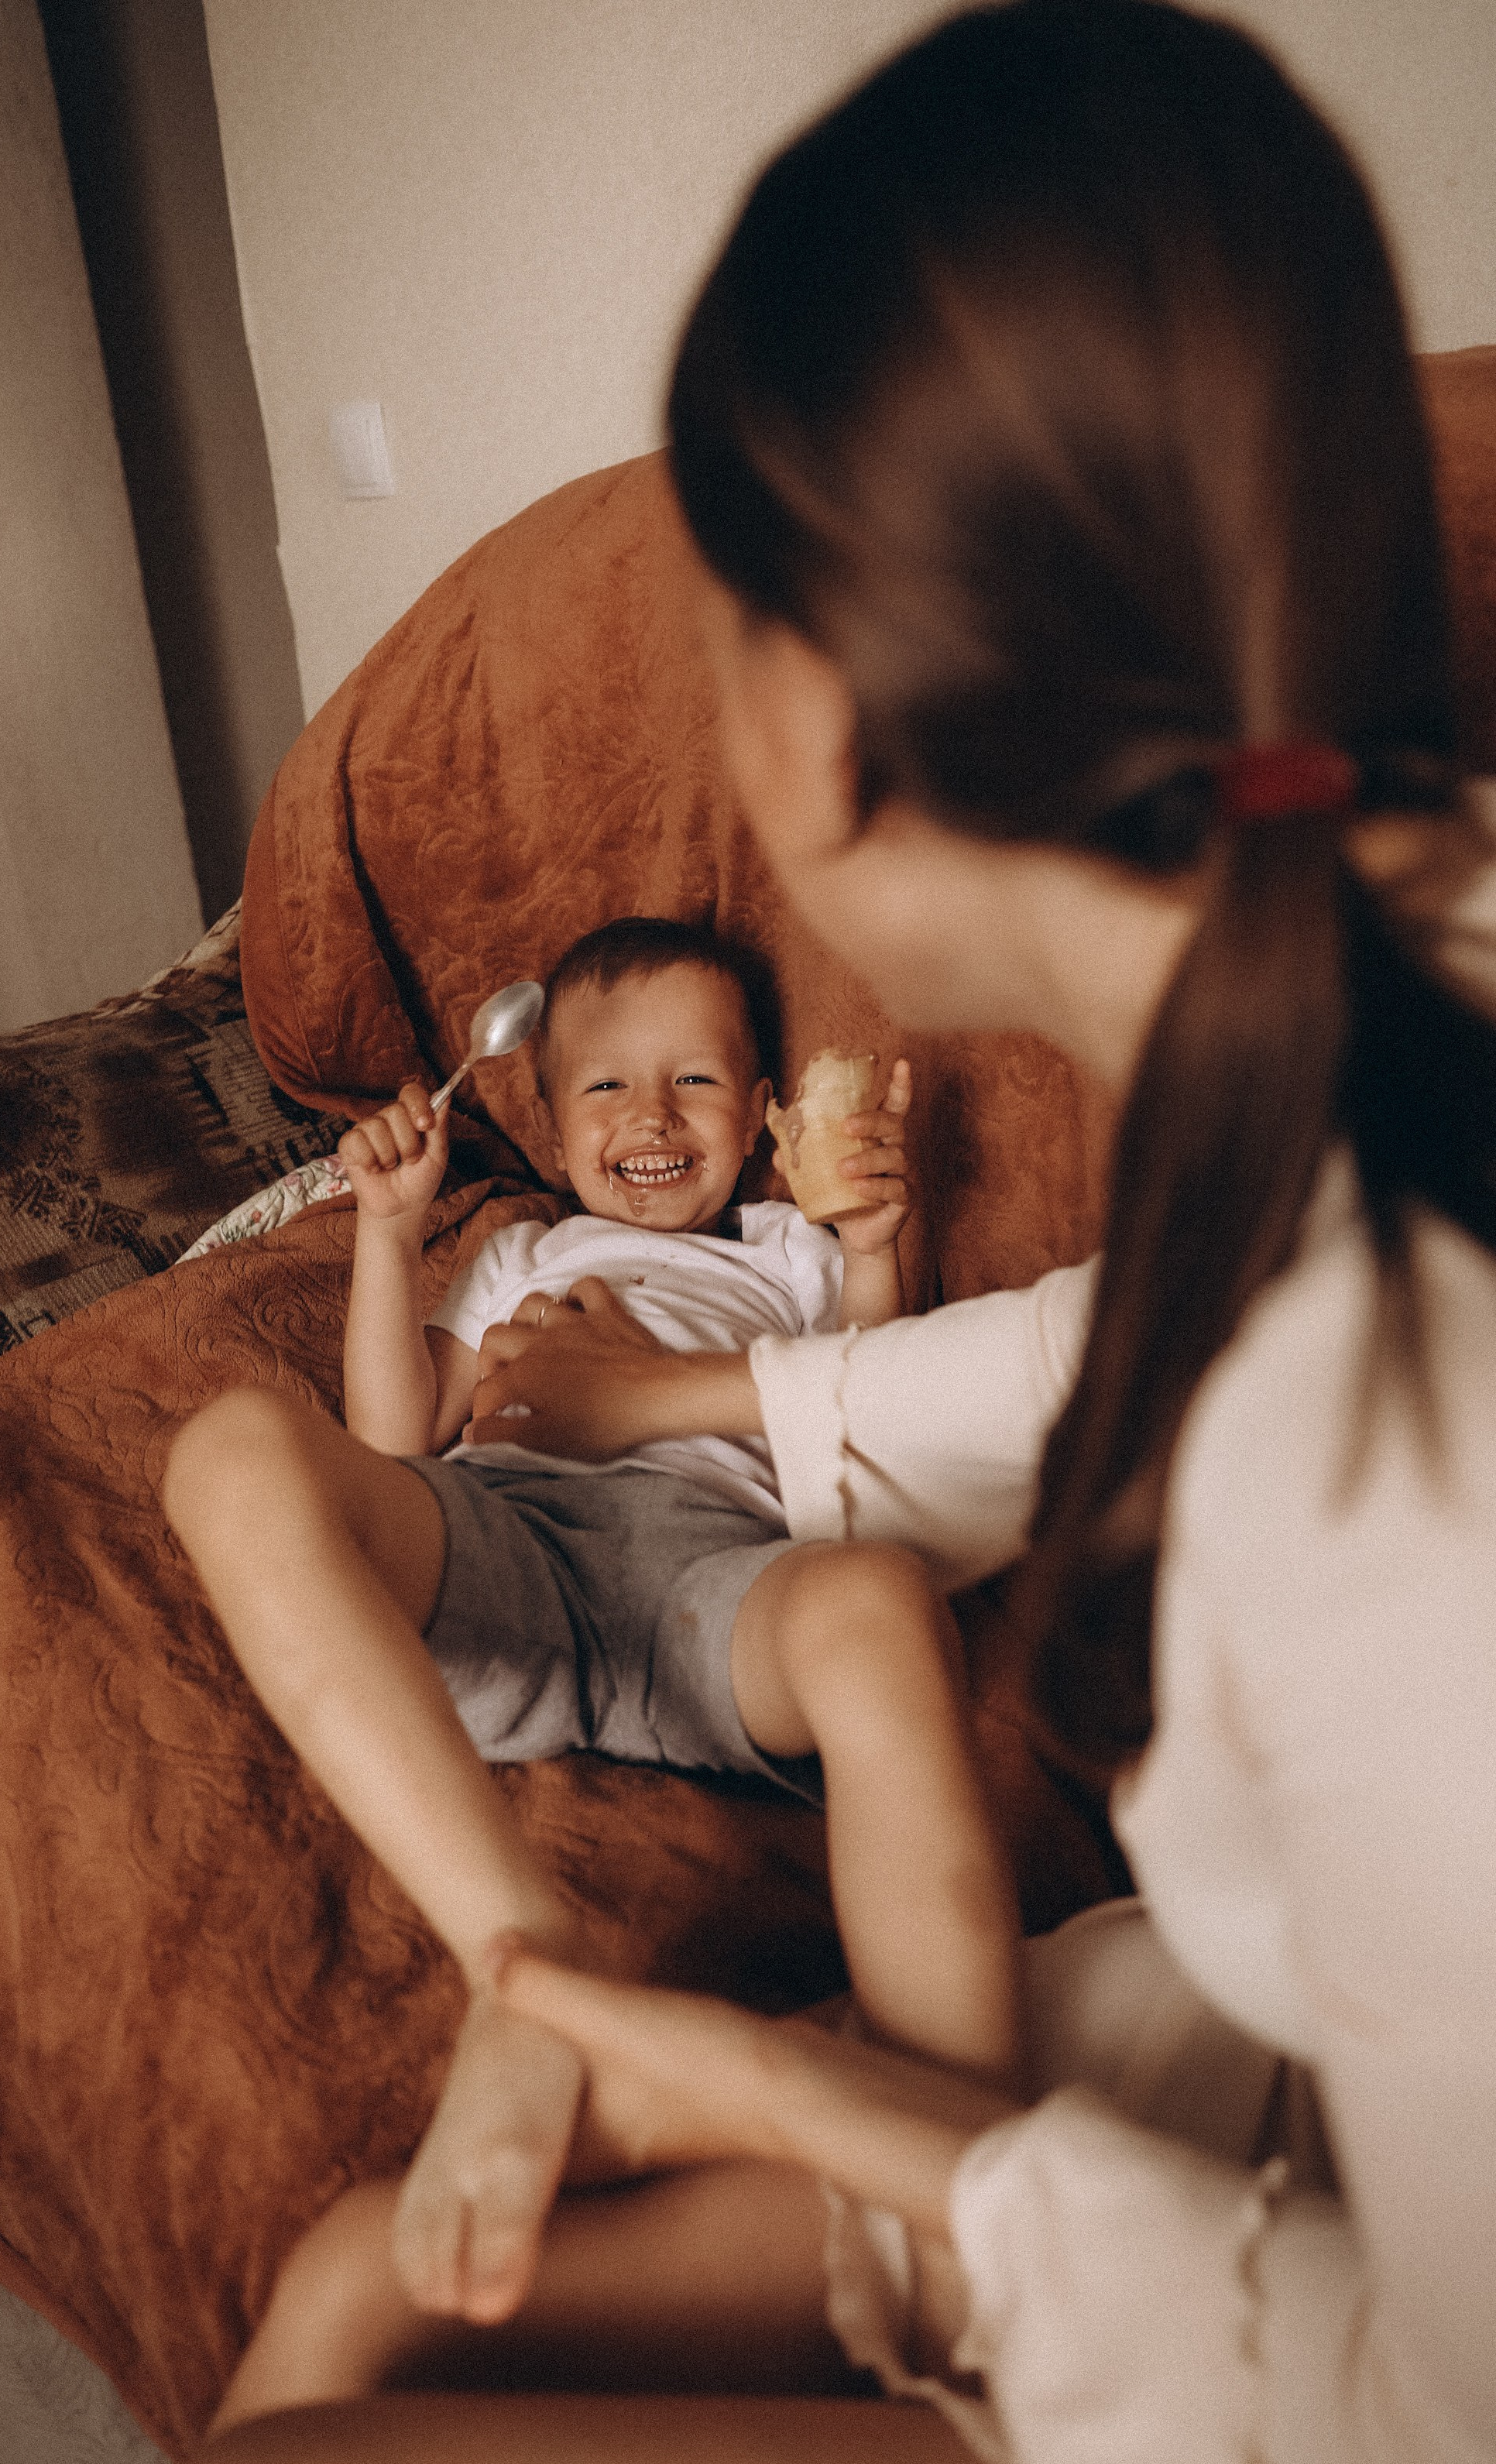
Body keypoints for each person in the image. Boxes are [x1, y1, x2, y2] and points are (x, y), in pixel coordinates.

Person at [200, 0, 1496, 2455]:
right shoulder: (1390, 972)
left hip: (1365, 2355)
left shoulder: (1395, 1456)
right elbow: (1046, 1369)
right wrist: (715, 2062)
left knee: (318, 2421)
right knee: (361, 2280)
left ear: (821, 722)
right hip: (1283, 2107)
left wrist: (803, 2103)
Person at [167, 915, 1023, 2401]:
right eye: (607, 1090)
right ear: (546, 1124)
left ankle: (950, 2128)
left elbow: (878, 1407)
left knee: (881, 1600)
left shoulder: (789, 1253)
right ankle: (528, 1952)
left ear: (762, 1120)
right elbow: (392, 1436)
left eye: (694, 1081)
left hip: (715, 1577)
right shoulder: (519, 1249)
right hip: (505, 1537)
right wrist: (387, 1233)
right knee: (233, 1451)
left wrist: (875, 1249)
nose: (649, 1117)